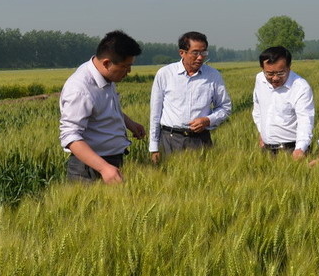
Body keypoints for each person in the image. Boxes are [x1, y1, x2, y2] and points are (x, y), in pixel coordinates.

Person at [59, 30, 146, 183]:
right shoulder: (80, 89)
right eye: (125, 66)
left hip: (108, 164)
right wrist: (104, 168)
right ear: (106, 63)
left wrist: (129, 123)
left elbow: (104, 108)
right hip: (89, 169)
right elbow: (70, 136)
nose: (129, 72)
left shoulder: (105, 76)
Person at [149, 31, 232, 163]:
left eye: (203, 53)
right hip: (170, 139)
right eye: (195, 53)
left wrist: (207, 120)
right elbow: (155, 112)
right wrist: (154, 147)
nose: (200, 57)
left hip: (200, 140)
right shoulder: (165, 74)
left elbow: (225, 107)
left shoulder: (213, 75)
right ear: (182, 53)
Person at [252, 46, 315, 160]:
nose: (275, 78)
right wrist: (262, 131)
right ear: (262, 68)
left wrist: (300, 148)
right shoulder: (260, 79)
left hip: (292, 149)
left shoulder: (301, 87)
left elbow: (305, 121)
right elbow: (257, 107)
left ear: (289, 67)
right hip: (266, 149)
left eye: (281, 73)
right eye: (270, 74)